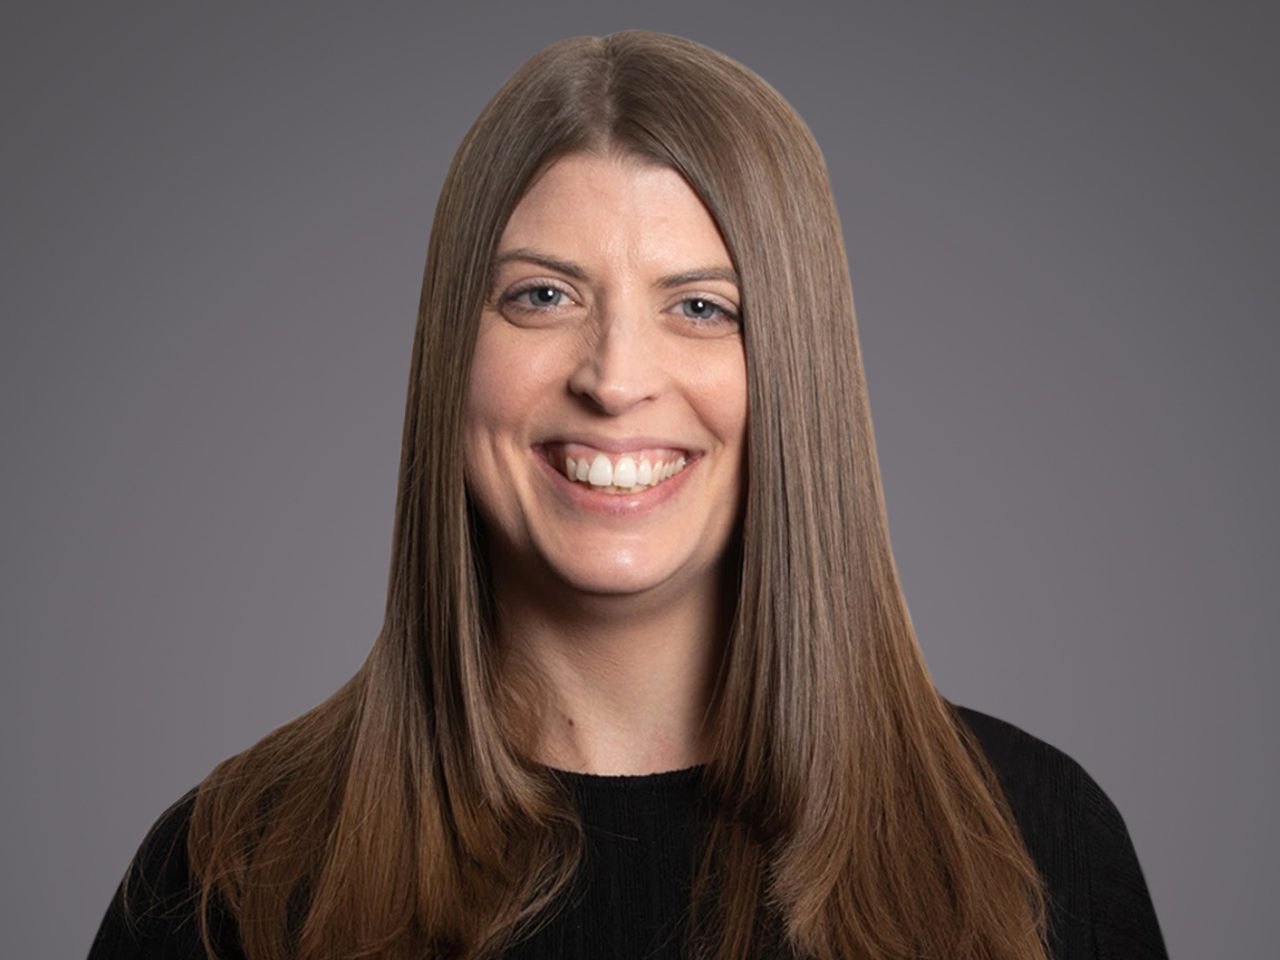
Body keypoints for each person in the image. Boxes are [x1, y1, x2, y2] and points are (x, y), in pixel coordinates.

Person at [88, 30, 1168, 960]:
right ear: (448, 357)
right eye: (541, 295)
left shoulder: (1032, 848)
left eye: (700, 307)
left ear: (798, 371)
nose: (612, 378)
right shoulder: (228, 876)